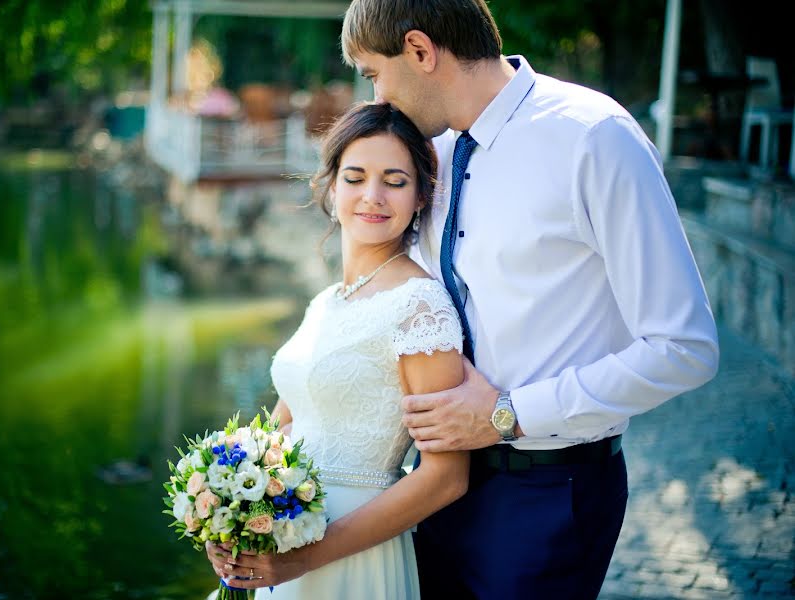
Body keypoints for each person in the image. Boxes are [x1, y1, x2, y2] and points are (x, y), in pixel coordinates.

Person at [339, 1, 721, 599]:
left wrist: (508, 412)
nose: (378, 99)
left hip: (548, 494)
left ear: (419, 50)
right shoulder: (429, 154)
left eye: (372, 74)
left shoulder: (593, 137)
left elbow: (685, 348)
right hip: (434, 485)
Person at [204, 102, 470, 598]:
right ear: (330, 186)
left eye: (394, 181)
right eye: (355, 177)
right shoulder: (326, 302)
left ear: (419, 197)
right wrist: (224, 515)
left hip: (353, 550)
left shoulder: (420, 305)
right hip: (279, 539)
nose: (373, 196)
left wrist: (308, 557)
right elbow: (281, 429)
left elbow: (446, 478)